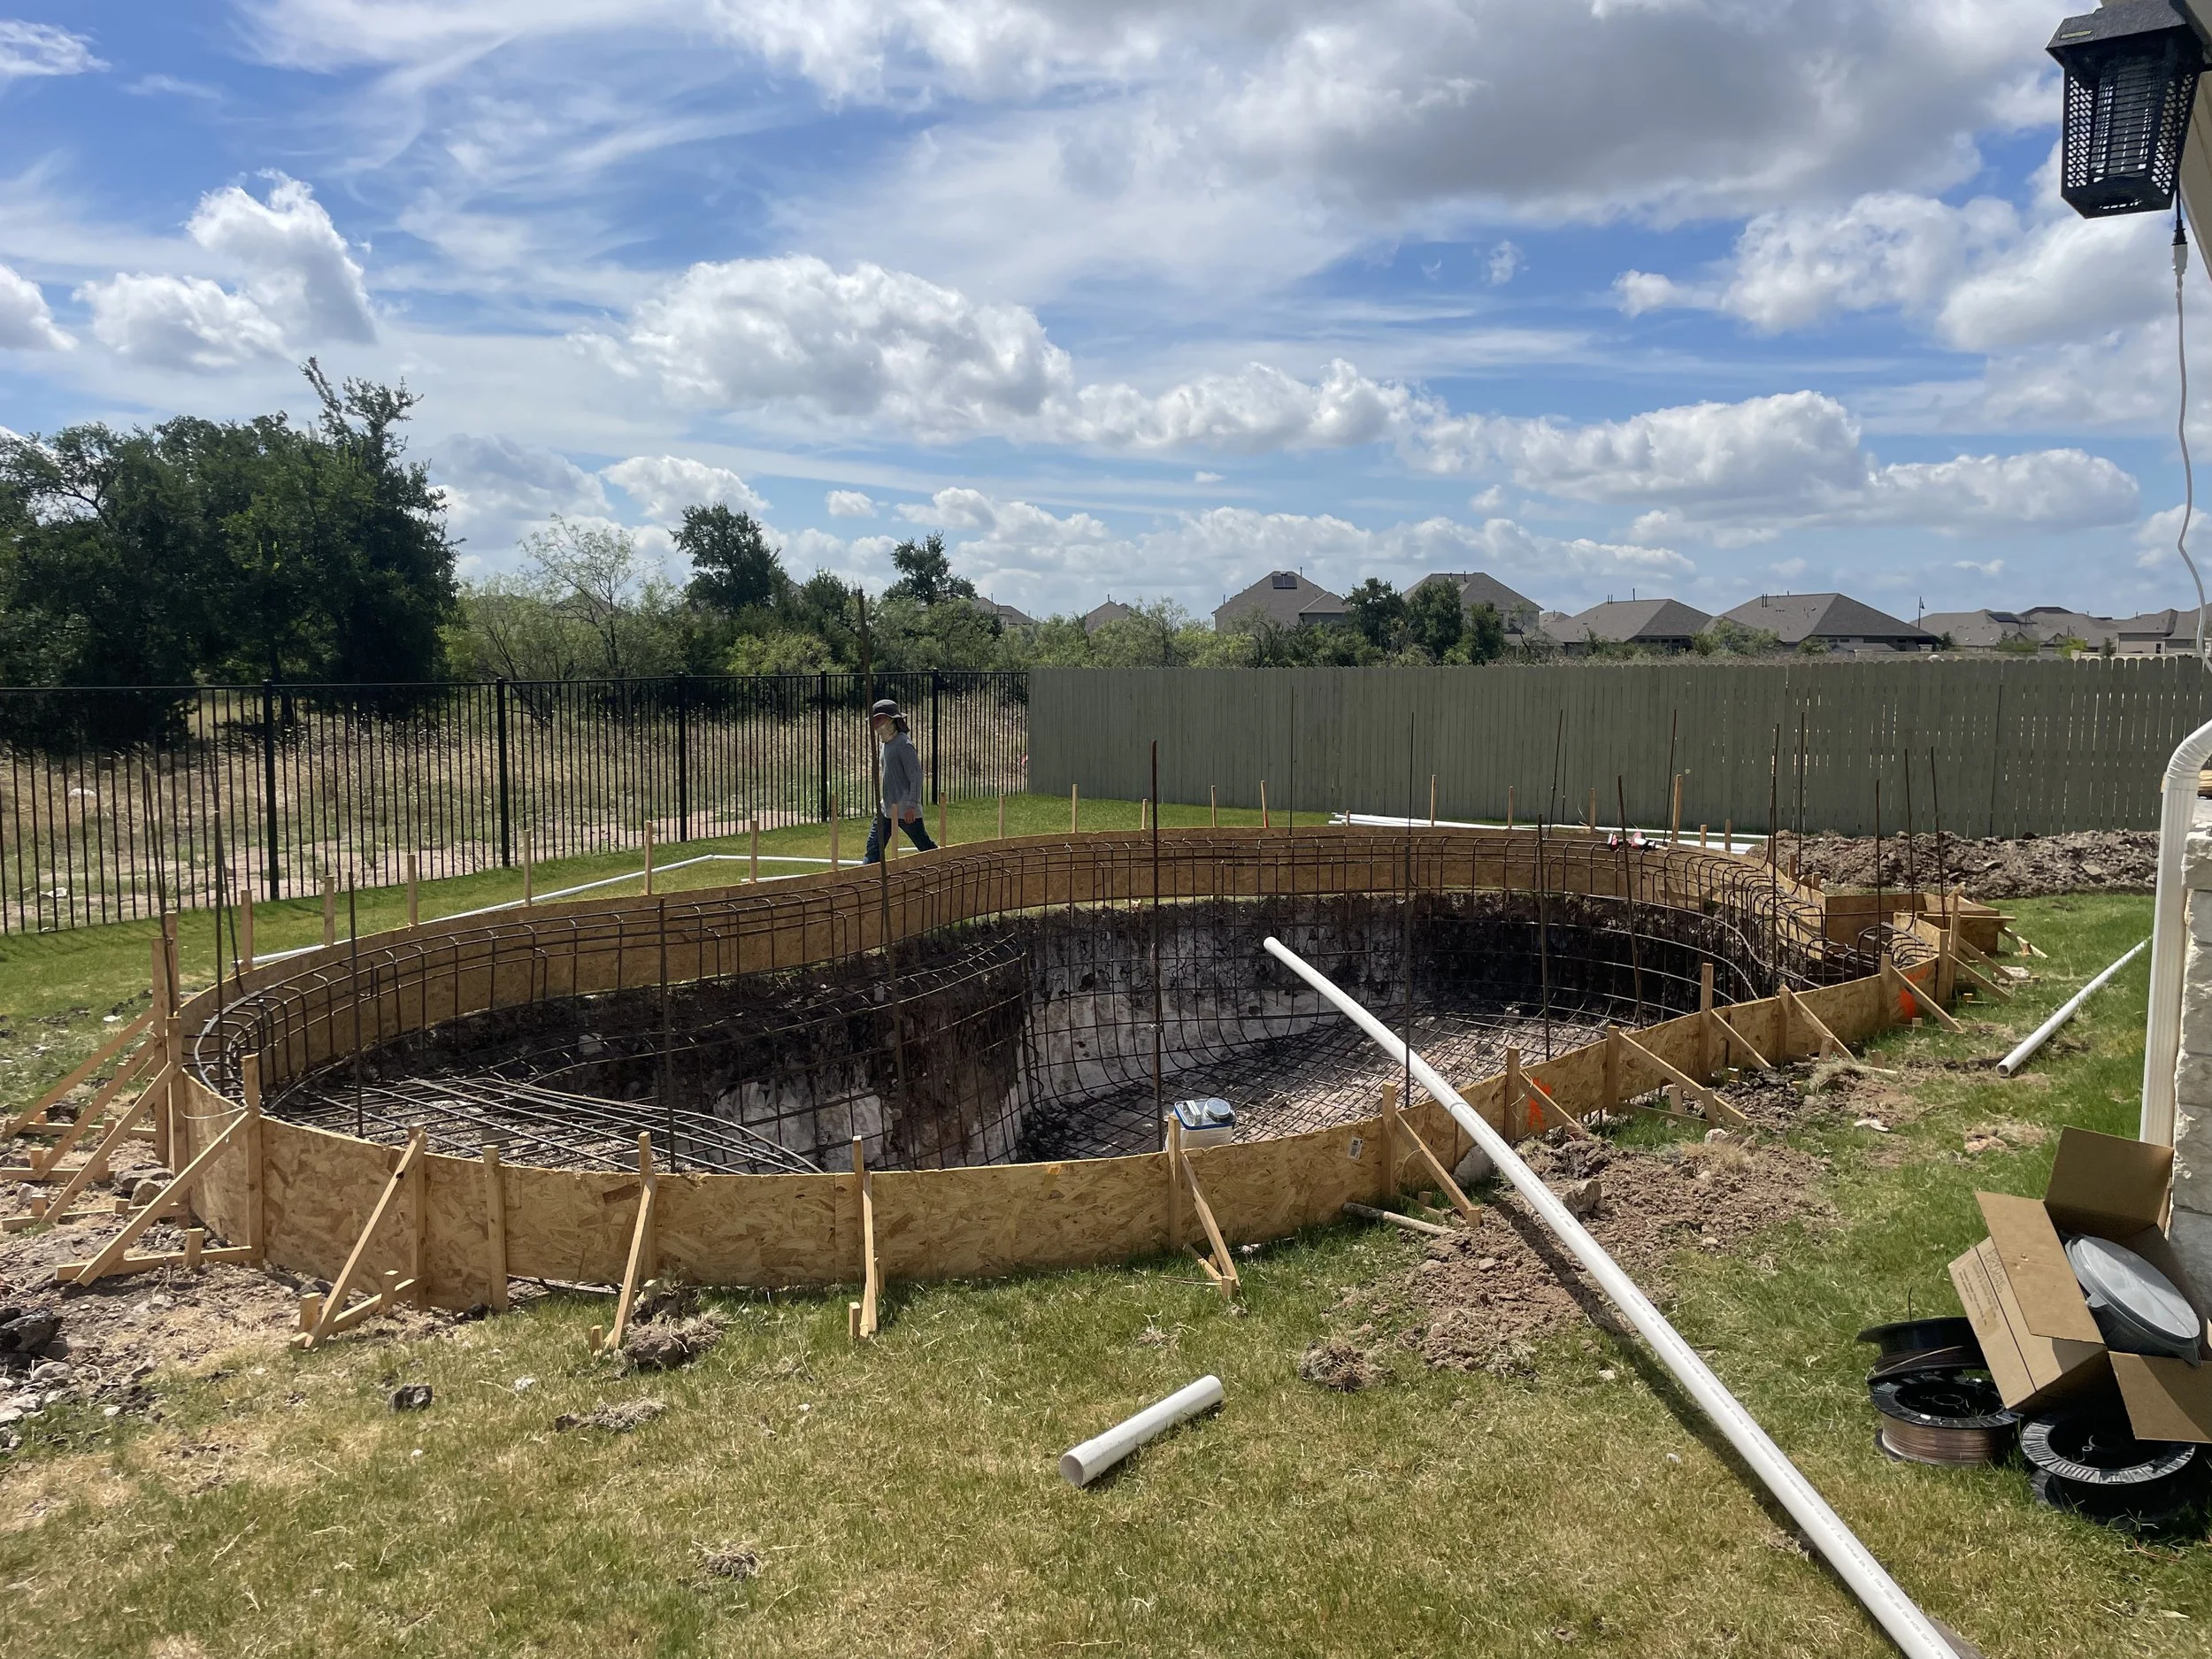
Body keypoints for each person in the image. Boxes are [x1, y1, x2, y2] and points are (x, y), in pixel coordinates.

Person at [864, 698, 936, 863]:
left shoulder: (904, 744)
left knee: (924, 846)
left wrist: (912, 805)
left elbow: (916, 776)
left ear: (891, 719)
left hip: (906, 810)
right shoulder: (885, 745)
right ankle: (866, 881)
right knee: (873, 847)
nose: (875, 724)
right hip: (886, 808)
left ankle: (944, 869)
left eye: (879, 719)